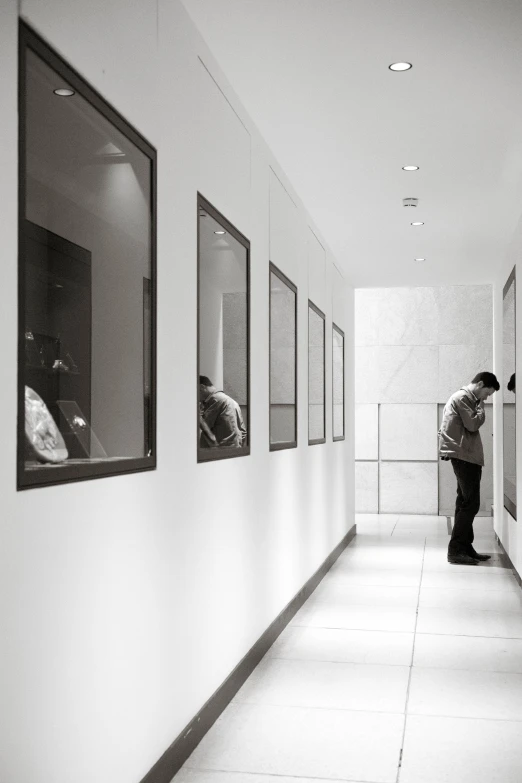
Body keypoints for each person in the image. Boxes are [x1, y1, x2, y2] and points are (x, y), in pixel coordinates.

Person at [439, 371, 500, 565]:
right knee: (470, 504)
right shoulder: (464, 397)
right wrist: (481, 408)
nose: (486, 398)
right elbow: (473, 424)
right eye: (487, 393)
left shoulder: (465, 398)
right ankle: (456, 549)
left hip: (464, 454)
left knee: (464, 502)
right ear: (480, 384)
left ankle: (465, 546)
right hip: (464, 455)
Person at [199, 376, 247, 449]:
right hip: (235, 449)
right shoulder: (233, 402)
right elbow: (243, 432)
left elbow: (205, 425)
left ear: (202, 387)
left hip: (219, 452)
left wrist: (197, 413)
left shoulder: (215, 400)